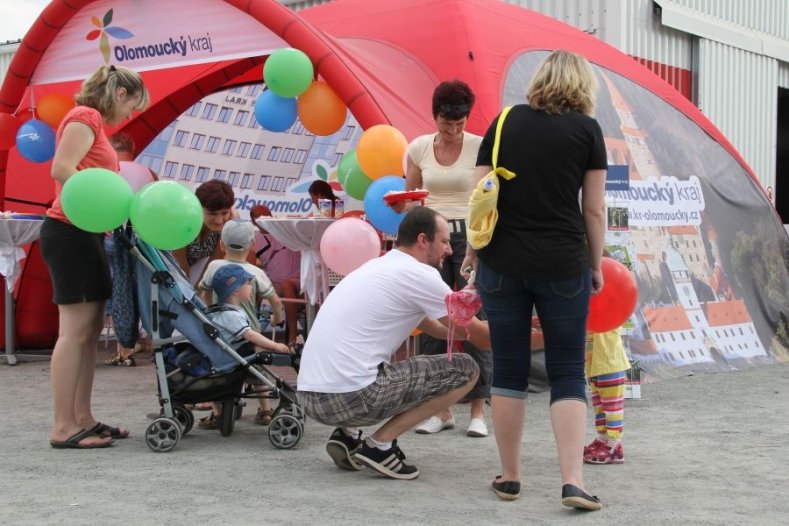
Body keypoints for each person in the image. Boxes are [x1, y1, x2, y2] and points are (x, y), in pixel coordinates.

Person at [461, 50, 607, 509]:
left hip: (502, 263)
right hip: (564, 263)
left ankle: (510, 477)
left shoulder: (505, 122)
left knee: (509, 369)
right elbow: (593, 209)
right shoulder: (588, 131)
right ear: (582, 86)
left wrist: (472, 252)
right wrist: (596, 264)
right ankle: (573, 482)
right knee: (567, 371)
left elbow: (479, 196)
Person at [297, 207, 491, 480]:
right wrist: (532, 331)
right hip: (347, 399)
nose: (449, 250)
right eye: (444, 241)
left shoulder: (377, 266)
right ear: (423, 240)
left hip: (309, 397)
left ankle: (348, 436)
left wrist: (472, 325)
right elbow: (482, 339)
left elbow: (440, 329)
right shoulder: (420, 274)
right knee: (466, 369)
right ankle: (380, 446)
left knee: (380, 366)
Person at [41, 64, 149, 449]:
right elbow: (61, 169)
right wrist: (104, 201)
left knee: (87, 334)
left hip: (87, 232)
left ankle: (82, 418)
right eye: (133, 105)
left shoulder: (95, 125)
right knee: (74, 333)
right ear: (120, 94)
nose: (130, 114)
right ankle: (62, 426)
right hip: (69, 231)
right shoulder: (85, 116)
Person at [396, 79, 492, 438]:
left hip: (470, 237)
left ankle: (478, 409)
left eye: (459, 123)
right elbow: (411, 198)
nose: (452, 130)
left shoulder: (480, 146)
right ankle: (440, 409)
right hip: (431, 238)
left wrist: (479, 244)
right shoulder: (419, 147)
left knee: (473, 316)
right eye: (446, 123)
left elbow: (488, 197)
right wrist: (401, 204)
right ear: (434, 116)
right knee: (433, 316)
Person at [198, 262, 291, 428]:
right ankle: (263, 410)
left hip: (232, 356)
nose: (251, 286)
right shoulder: (230, 315)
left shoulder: (227, 311)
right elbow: (250, 334)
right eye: (248, 283)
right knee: (258, 364)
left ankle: (218, 414)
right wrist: (275, 346)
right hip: (233, 359)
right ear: (235, 290)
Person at [172, 180, 244, 285]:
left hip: (197, 265)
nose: (219, 220)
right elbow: (179, 263)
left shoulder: (231, 222)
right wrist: (188, 290)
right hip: (168, 263)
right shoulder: (185, 220)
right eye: (212, 213)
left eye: (224, 213)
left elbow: (214, 263)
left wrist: (199, 290)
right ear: (198, 207)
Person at [250, 204, 303, 345]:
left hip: (299, 281)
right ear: (254, 221)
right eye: (261, 217)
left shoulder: (287, 231)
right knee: (256, 285)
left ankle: (293, 336)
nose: (266, 218)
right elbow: (249, 263)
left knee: (287, 285)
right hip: (274, 283)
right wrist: (261, 264)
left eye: (268, 215)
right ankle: (256, 329)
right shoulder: (254, 239)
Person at [583, 328, 629, 464]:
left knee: (612, 409)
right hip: (595, 365)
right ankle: (602, 438)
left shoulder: (609, 318)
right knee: (599, 407)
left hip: (610, 364)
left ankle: (614, 444)